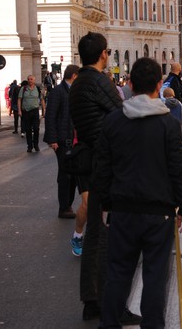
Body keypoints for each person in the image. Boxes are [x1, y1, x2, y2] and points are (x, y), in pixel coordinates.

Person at [94, 57, 182, 328]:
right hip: (158, 212)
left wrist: (105, 203)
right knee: (154, 277)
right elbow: (177, 169)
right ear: (159, 85)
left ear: (131, 84)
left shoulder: (113, 121)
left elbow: (103, 168)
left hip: (123, 210)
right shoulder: (168, 124)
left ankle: (109, 324)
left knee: (118, 274)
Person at [69, 32, 138, 324]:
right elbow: (124, 113)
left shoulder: (77, 84)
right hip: (106, 164)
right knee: (112, 236)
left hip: (89, 161)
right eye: (108, 52)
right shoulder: (98, 81)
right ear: (103, 54)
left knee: (96, 232)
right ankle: (112, 303)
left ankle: (92, 299)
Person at [44, 64, 80, 219]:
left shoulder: (74, 92)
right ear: (73, 76)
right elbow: (50, 116)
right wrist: (52, 140)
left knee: (73, 174)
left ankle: (68, 205)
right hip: (62, 139)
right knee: (65, 174)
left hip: (73, 139)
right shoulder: (58, 92)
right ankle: (64, 207)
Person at [18, 75, 46, 153]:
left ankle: (36, 144)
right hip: (26, 111)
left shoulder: (37, 89)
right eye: (28, 79)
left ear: (34, 80)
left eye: (31, 79)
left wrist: (44, 110)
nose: (30, 80)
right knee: (28, 129)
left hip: (35, 111)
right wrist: (19, 110)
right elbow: (19, 100)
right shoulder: (23, 89)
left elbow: (42, 100)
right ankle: (29, 146)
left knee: (36, 128)